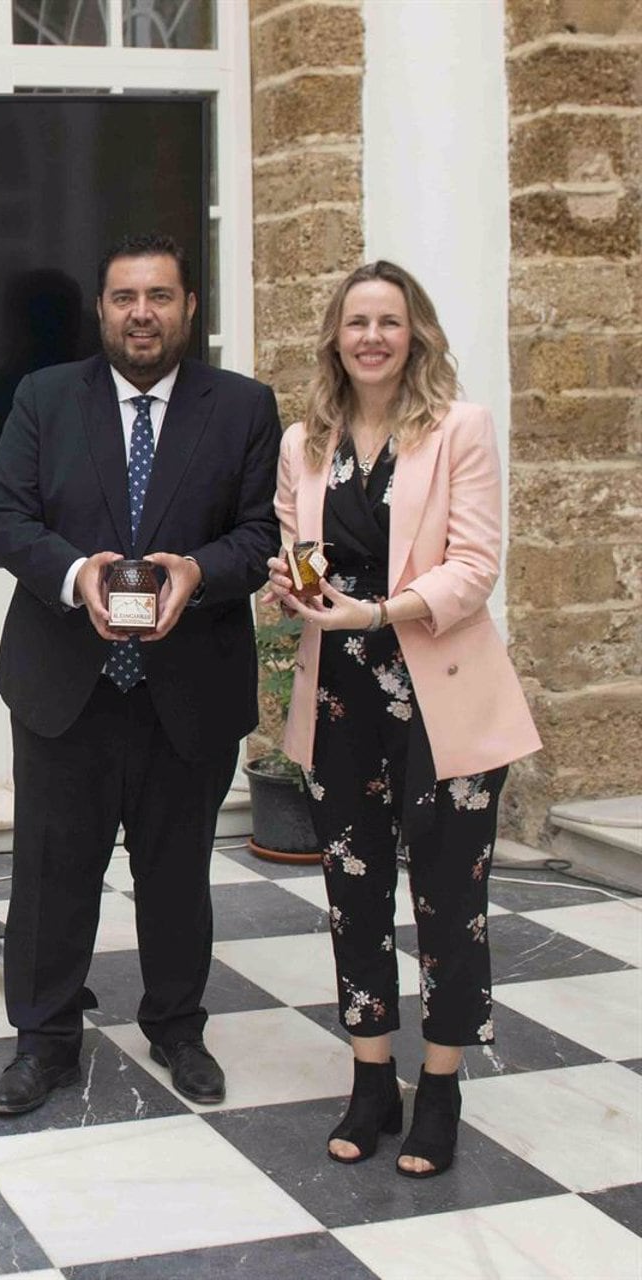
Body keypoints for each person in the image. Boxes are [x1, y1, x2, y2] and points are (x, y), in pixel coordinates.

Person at [0, 234, 280, 1115]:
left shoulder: (243, 407)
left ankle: (178, 1026)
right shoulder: (44, 398)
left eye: (158, 296)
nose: (141, 313)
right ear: (101, 311)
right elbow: (6, 518)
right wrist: (78, 577)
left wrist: (198, 572)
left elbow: (260, 537)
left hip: (189, 686)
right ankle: (44, 1042)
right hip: (63, 682)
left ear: (189, 308)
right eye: (123, 298)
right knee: (50, 870)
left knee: (179, 869)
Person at [265, 261, 540, 1177]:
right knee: (354, 894)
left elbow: (476, 565)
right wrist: (290, 585)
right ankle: (373, 1078)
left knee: (450, 902)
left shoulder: (458, 429)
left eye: (389, 320)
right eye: (357, 322)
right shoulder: (306, 441)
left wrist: (379, 612)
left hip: (440, 698)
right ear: (335, 338)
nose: (372, 336)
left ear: (414, 333)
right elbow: (294, 549)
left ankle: (444, 1084)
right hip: (339, 696)